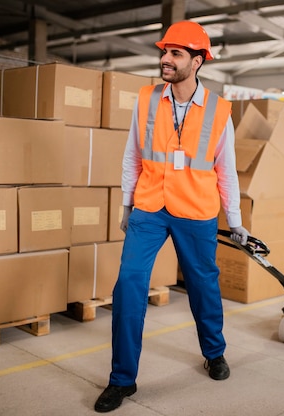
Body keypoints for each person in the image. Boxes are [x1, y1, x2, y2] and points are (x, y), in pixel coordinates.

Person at [94, 20, 249, 413]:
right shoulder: (146, 99)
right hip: (149, 206)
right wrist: (127, 205)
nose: (165, 59)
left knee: (203, 286)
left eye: (175, 53)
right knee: (129, 284)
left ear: (197, 61)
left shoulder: (218, 110)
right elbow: (132, 155)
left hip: (195, 210)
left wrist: (236, 220)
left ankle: (214, 353)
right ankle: (121, 380)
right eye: (164, 51)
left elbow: (226, 170)